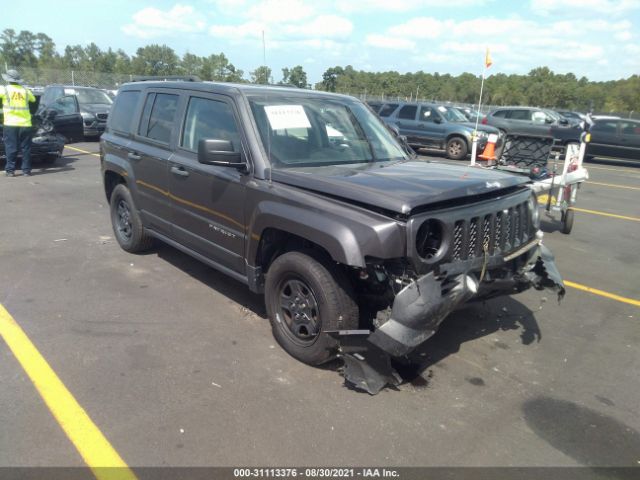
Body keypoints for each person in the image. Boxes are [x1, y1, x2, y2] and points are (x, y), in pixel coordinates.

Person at [1, 69, 36, 177]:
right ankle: (26, 171)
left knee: (11, 147)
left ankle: (10, 171)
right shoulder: (25, 90)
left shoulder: (4, 89)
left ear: (7, 79)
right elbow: (33, 100)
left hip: (10, 123)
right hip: (25, 124)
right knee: (26, 148)